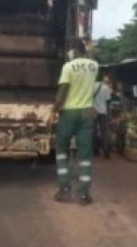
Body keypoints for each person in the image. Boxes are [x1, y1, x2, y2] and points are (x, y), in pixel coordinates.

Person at [48, 40, 98, 206]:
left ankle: (64, 190)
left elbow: (62, 92)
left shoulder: (68, 67)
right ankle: (84, 195)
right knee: (85, 155)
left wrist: (54, 112)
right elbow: (90, 60)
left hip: (69, 113)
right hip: (86, 113)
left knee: (62, 150)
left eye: (70, 49)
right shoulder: (94, 66)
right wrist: (90, 50)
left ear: (74, 50)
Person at [93, 76, 112, 158]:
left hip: (93, 112)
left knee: (94, 131)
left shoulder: (91, 86)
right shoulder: (105, 87)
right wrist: (109, 113)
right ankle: (106, 149)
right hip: (103, 111)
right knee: (104, 131)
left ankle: (95, 150)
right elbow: (107, 101)